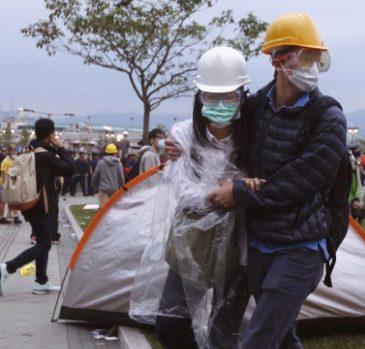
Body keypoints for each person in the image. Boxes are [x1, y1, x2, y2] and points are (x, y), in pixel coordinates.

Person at [206, 13, 347, 348]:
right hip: (258, 245)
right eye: (305, 56)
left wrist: (240, 193)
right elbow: (217, 137)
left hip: (302, 248)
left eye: (317, 57)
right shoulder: (254, 108)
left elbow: (304, 178)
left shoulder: (328, 117)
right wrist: (179, 146)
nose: (312, 66)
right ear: (277, 59)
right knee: (281, 337)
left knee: (257, 339)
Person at [130, 45, 254, 349]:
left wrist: (233, 190)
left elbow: (258, 185)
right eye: (211, 96)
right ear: (199, 97)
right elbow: (183, 191)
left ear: (242, 96)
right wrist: (231, 191)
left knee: (225, 330)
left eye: (229, 97)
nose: (220, 104)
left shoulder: (255, 136)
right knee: (171, 324)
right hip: (193, 241)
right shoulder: (184, 134)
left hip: (241, 243)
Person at [0, 118, 76, 296]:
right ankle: (8, 267)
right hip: (41, 206)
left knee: (41, 241)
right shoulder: (45, 156)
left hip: (30, 204)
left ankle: (41, 281)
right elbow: (71, 169)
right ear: (51, 135)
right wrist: (61, 148)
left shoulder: (29, 150)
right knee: (45, 244)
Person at [0, 145, 22, 225]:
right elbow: (4, 175)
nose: (14, 152)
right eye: (12, 151)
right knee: (3, 201)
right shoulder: (5, 162)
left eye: (15, 150)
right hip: (4, 184)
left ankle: (14, 217)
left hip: (13, 184)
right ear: (8, 152)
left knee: (13, 201)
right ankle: (1, 218)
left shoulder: (15, 160)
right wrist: (6, 186)